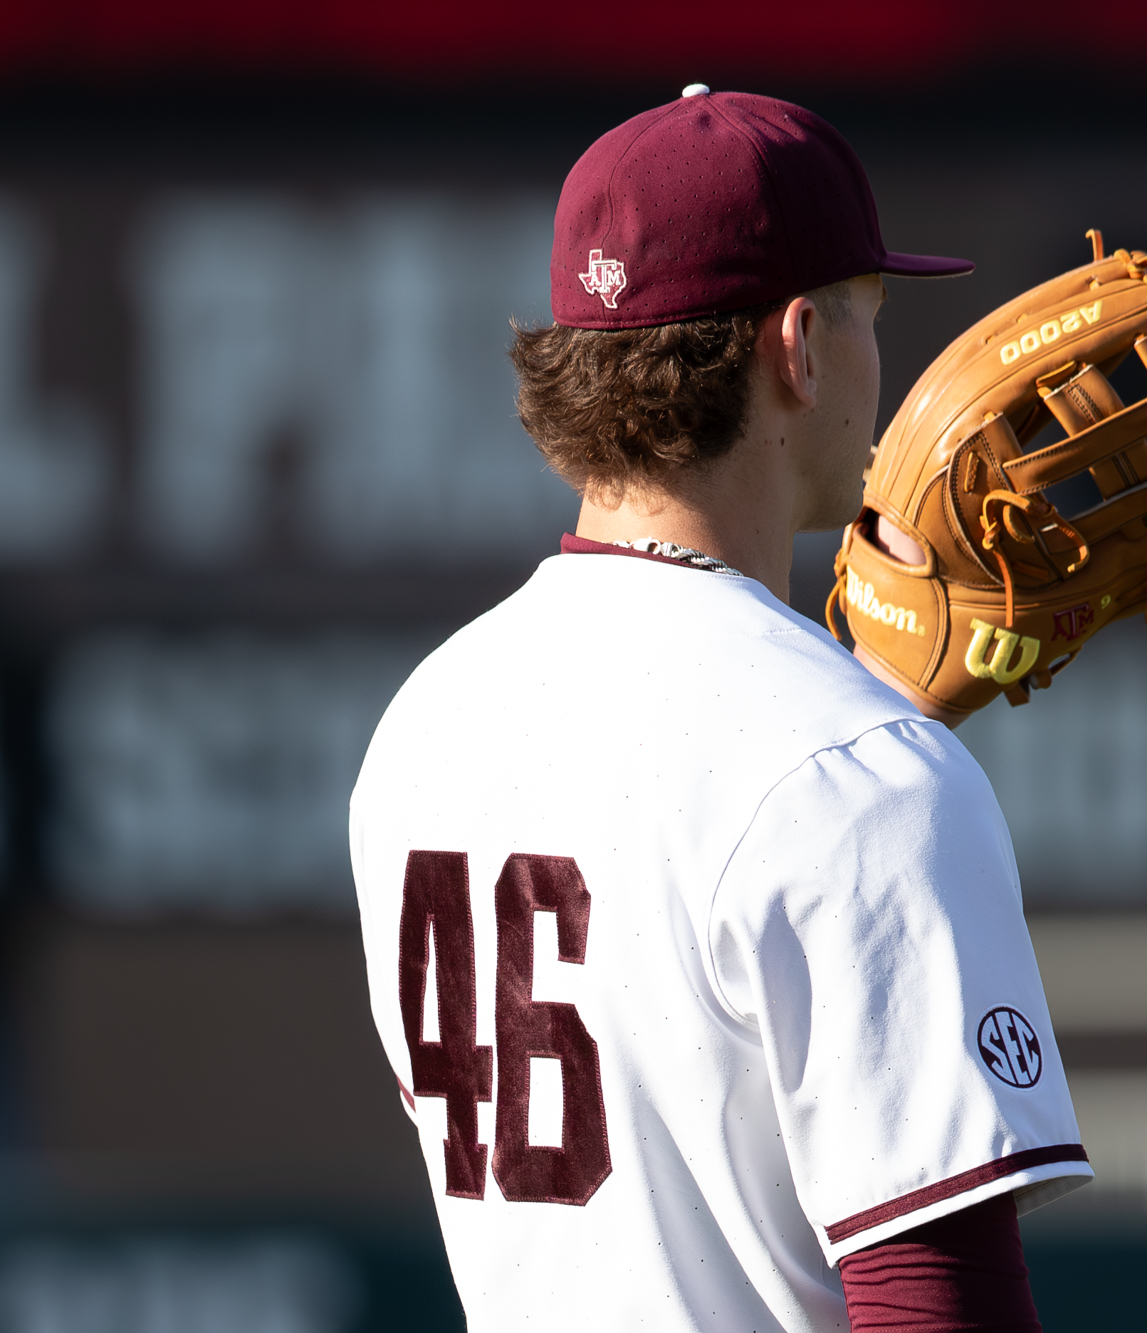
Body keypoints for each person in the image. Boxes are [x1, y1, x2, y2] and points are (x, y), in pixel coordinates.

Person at [348, 87, 1090, 1332]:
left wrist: (850, 720)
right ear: (796, 345)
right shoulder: (859, 773)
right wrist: (862, 748)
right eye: (868, 315)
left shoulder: (426, 719)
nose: (877, 361)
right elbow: (931, 1303)